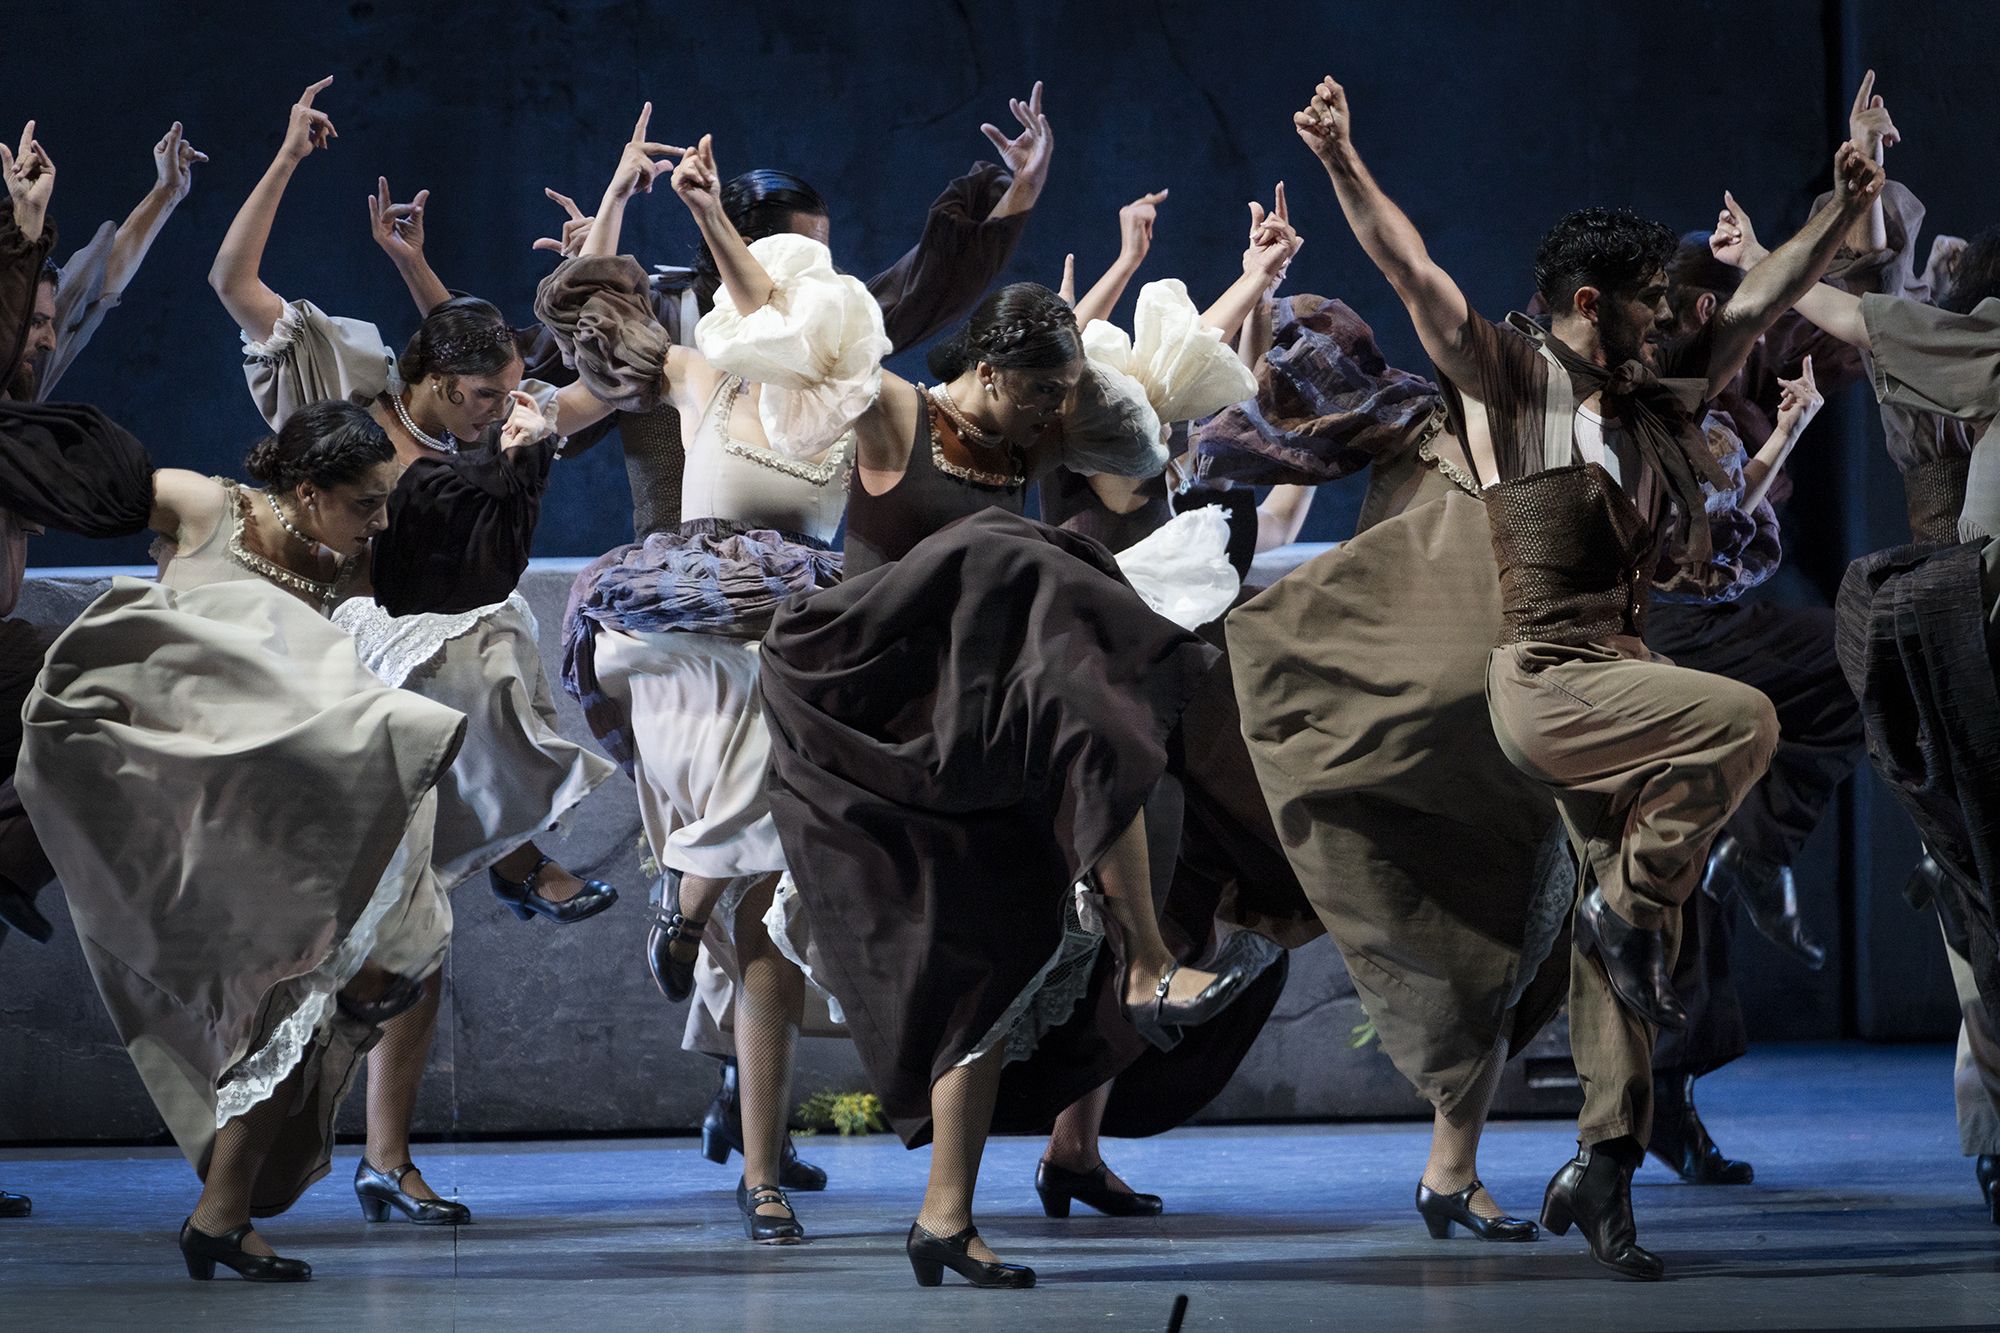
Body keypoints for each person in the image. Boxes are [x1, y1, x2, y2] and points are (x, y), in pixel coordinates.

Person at [1292, 73, 1881, 1277]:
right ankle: (1627, 910)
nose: (1670, 321)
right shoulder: (1511, 382)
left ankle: (1602, 1172)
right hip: (1547, 682)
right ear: (1582, 305)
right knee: (1744, 718)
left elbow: (1755, 299)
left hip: (1615, 675)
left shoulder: (1651, 389)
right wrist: (1344, 159)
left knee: (1626, 934)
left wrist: (1835, 207)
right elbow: (1412, 274)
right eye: (1648, 305)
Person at [10, 388, 553, 1279]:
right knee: (287, 992)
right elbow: (73, 482)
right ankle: (224, 1208)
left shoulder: (354, 569)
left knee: (300, 991)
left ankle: (221, 1214)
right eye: (363, 503)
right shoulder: (204, 504)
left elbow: (467, 577)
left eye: (384, 503)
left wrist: (522, 463)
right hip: (174, 782)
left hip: (265, 806)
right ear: (307, 491)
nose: (378, 522)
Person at [206, 79, 620, 1227]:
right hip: (339, 675)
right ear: (431, 381)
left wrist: (595, 250)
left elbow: (557, 378)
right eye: (482, 396)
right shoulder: (353, 396)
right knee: (331, 941)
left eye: (502, 396)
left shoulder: (489, 420)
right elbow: (236, 287)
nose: (502, 410)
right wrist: (287, 157)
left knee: (419, 926)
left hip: (427, 683)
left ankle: (382, 1157)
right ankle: (237, 1172)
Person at [1721, 202, 2000, 1229]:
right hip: (1967, 662)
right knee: (1979, 909)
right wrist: (1776, 259)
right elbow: (1872, 320)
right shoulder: (1971, 351)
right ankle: (1994, 1136)